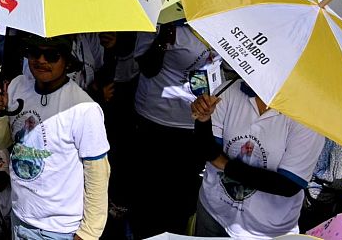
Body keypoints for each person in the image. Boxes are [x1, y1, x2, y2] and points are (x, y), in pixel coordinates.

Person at [0, 35, 110, 240]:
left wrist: (89, 233)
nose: (41, 60)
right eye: (34, 52)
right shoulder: (17, 86)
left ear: (67, 62)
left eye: (52, 55)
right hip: (19, 217)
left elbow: (97, 174)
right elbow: (0, 142)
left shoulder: (84, 108)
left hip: (58, 230)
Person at [191, 81, 325, 239]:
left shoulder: (308, 118)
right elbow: (207, 149)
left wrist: (224, 164)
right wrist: (203, 120)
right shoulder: (228, 91)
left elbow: (288, 184)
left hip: (264, 231)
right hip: (213, 211)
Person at [130, 22, 221, 237]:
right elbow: (147, 67)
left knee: (182, 198)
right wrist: (162, 41)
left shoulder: (219, 17)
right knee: (150, 196)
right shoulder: (162, 18)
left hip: (197, 122)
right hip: (156, 121)